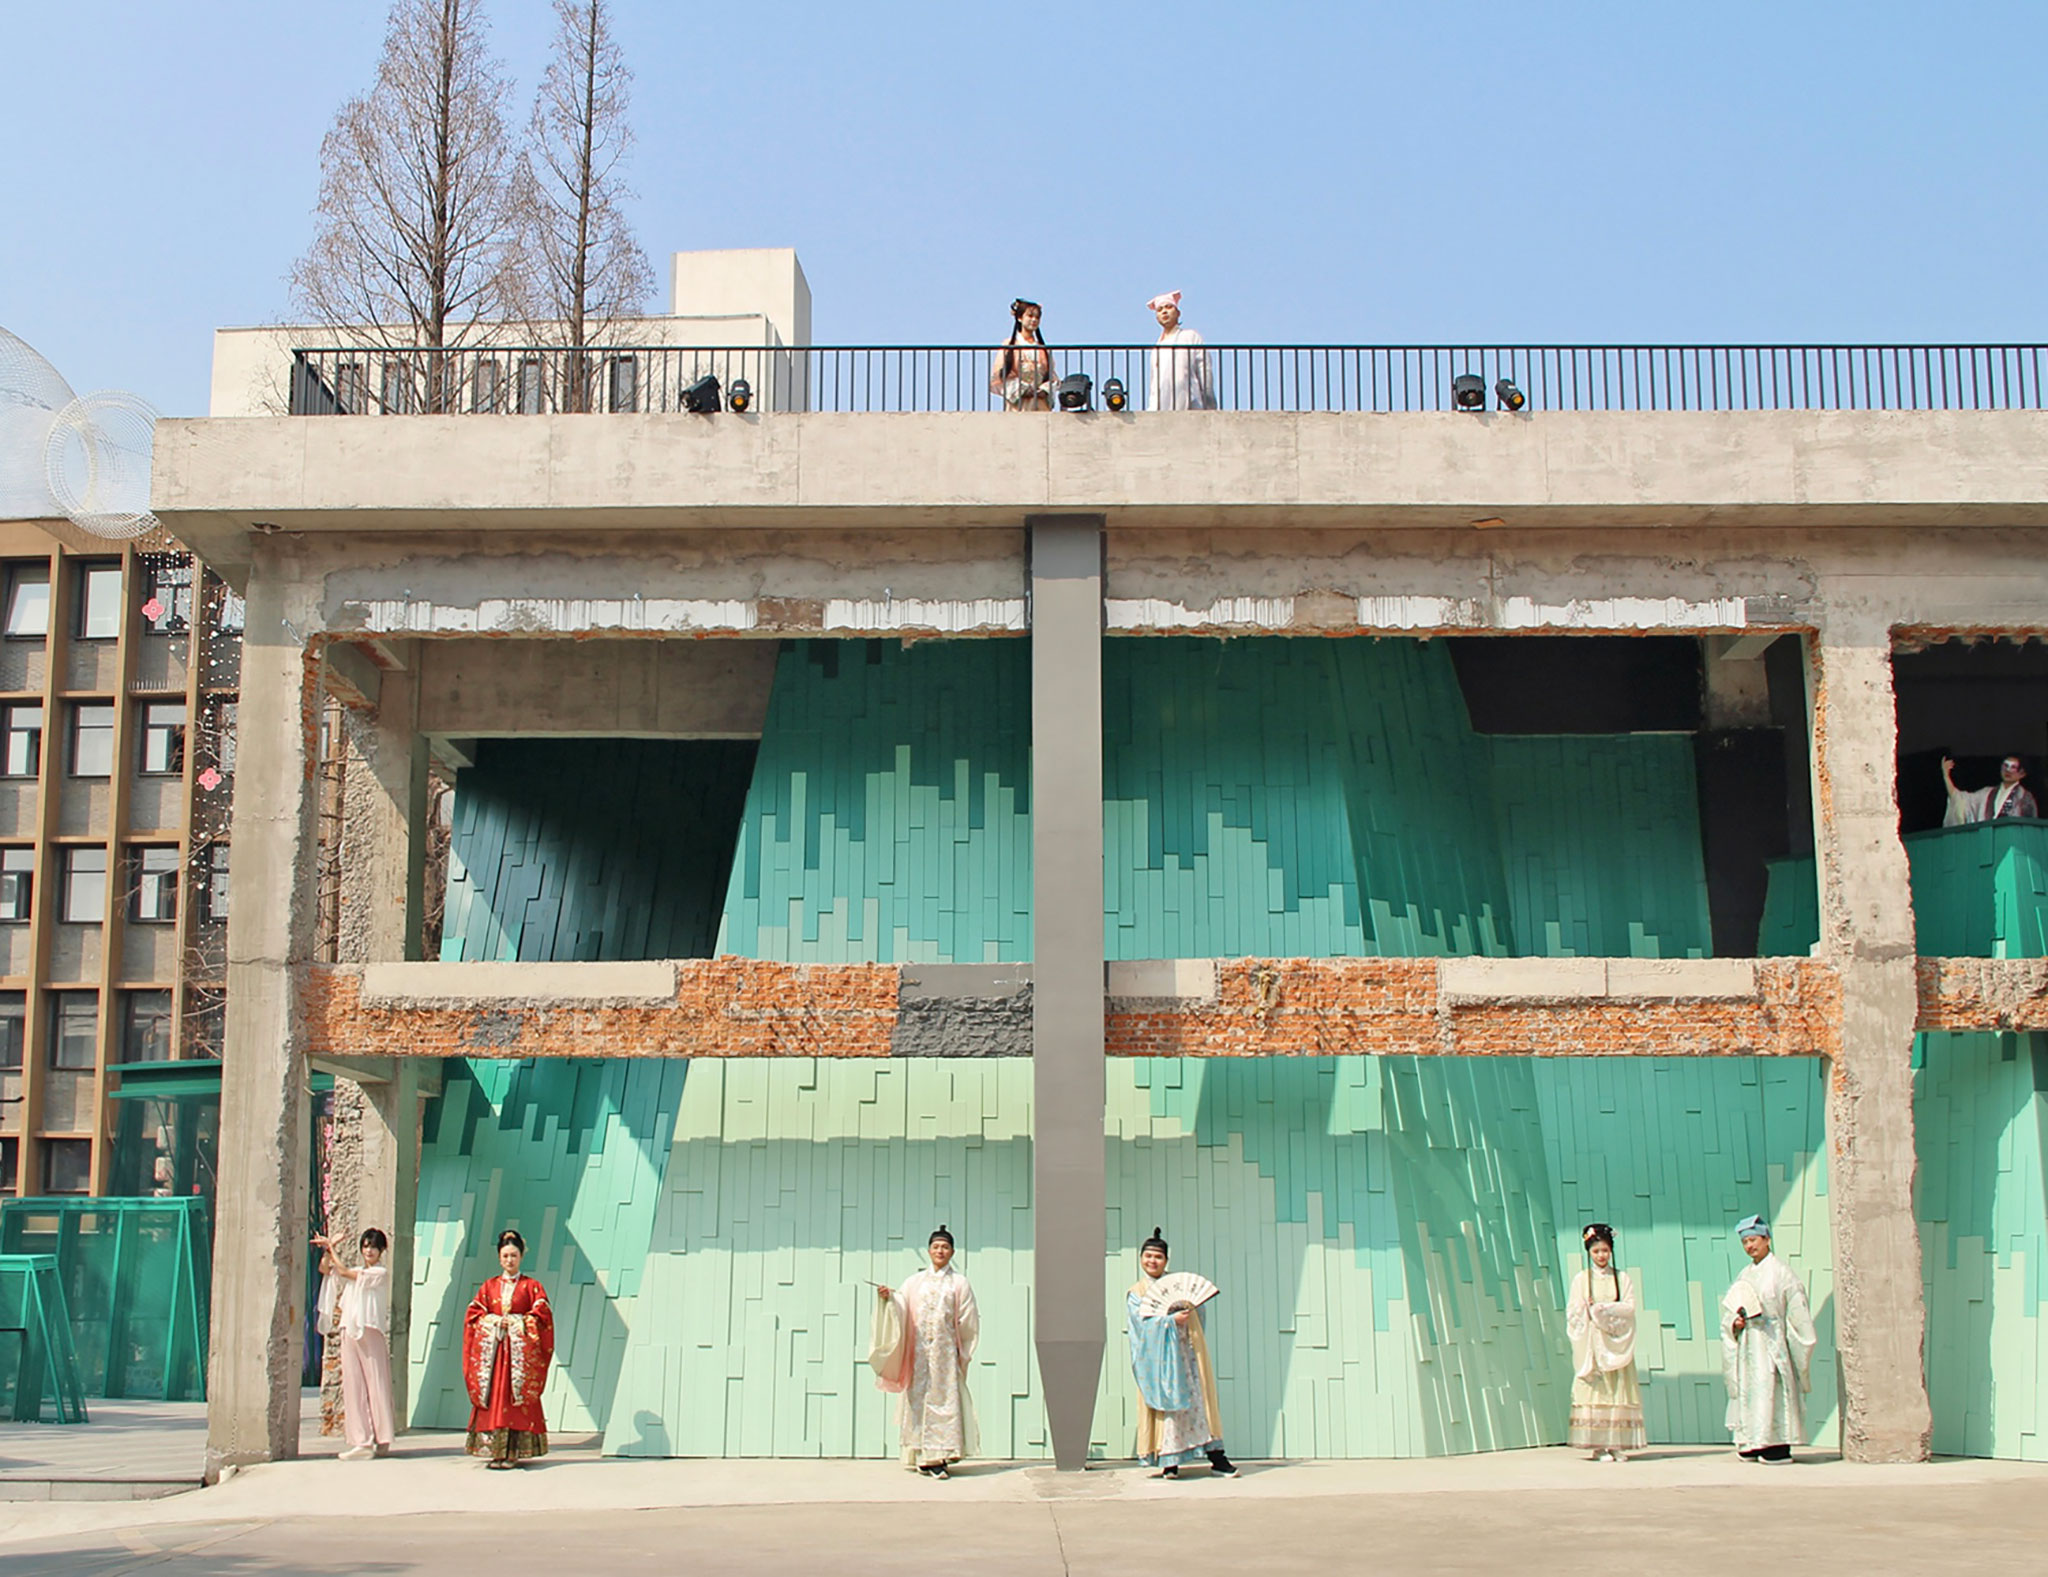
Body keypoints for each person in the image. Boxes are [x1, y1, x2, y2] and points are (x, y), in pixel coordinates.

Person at [1126, 1227, 1237, 1478]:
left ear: (1166, 1260)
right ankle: (1169, 1462)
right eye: (1148, 1256)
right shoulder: (1137, 1294)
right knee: (1168, 1408)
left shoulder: (1179, 1286)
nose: (1152, 1261)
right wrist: (1169, 1322)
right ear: (1141, 1258)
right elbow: (1140, 1327)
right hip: (1160, 1363)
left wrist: (1187, 1318)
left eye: (1158, 1257)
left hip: (1186, 1356)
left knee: (1201, 1402)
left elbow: (1199, 1314)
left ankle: (1217, 1458)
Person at [869, 1225, 980, 1477]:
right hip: (918, 1353)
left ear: (952, 1252)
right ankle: (922, 1456)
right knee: (919, 1400)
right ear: (928, 1251)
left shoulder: (959, 1283)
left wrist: (961, 1353)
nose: (940, 1251)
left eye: (945, 1247)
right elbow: (902, 1308)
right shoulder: (914, 1282)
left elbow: (968, 1320)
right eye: (936, 1247)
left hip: (944, 1355)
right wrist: (888, 1299)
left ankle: (939, 1456)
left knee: (943, 1402)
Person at [1720, 1214, 1816, 1463]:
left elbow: (1799, 1315)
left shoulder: (1782, 1273)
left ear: (1767, 1239)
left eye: (1753, 1240)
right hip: (1749, 1342)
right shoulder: (1745, 1274)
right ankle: (1752, 1439)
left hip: (1772, 1340)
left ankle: (1776, 1443)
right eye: (1745, 1242)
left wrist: (1795, 1344)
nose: (1749, 1246)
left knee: (1770, 1387)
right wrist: (1736, 1323)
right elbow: (1733, 1309)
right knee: (1750, 1389)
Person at [463, 1228, 554, 1469]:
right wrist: (493, 1322)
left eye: (513, 1255)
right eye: (505, 1256)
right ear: (498, 1257)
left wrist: (516, 1322)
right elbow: (474, 1314)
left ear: (521, 1256)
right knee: (494, 1398)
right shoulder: (489, 1286)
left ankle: (514, 1451)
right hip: (493, 1354)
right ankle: (496, 1451)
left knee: (515, 1402)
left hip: (518, 1357)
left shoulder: (532, 1286)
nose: (509, 1260)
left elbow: (542, 1315)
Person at [1565, 1222, 1645, 1461]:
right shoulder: (1582, 1279)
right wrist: (1588, 1311)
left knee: (1618, 1390)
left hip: (1615, 1343)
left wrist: (1602, 1310)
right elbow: (1573, 1312)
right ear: (1588, 1252)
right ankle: (1599, 1445)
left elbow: (1629, 1308)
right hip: (1593, 1347)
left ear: (1611, 1251)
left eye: (1605, 1251)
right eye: (1596, 1251)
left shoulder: (1622, 1278)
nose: (1601, 1255)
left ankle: (1616, 1443)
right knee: (1597, 1392)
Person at [314, 1226, 395, 1459]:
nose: (369, 1251)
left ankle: (382, 1437)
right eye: (366, 1246)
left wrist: (331, 1246)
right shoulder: (360, 1269)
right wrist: (329, 1250)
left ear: (381, 1250)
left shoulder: (379, 1273)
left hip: (370, 1330)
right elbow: (326, 1269)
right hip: (350, 1328)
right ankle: (362, 1440)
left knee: (377, 1384)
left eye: (374, 1247)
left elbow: (345, 1272)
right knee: (353, 1384)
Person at [1145, 291, 1216, 411]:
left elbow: (1204, 370)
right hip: (1161, 404)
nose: (1164, 311)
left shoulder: (1190, 337)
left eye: (1168, 307)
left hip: (1190, 400)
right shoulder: (1157, 348)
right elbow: (1154, 384)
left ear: (1178, 313)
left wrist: (1209, 403)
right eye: (1160, 309)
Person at [990, 299, 1055, 411]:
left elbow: (1052, 376)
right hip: (1018, 401)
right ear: (1020, 318)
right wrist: (1022, 389)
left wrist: (1045, 390)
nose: (1034, 320)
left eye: (1037, 317)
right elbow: (1000, 376)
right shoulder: (1009, 344)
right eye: (1030, 316)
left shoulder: (1043, 348)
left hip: (1039, 400)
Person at [1942, 753, 2038, 825]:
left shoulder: (2025, 797)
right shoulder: (1987, 793)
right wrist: (1946, 776)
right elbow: (1960, 799)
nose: (2007, 770)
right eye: (2005, 765)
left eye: (2013, 767)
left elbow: (2030, 826)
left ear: (2022, 773)